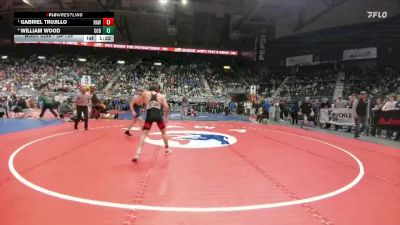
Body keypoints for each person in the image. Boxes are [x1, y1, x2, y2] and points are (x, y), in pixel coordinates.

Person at [132, 84, 171, 162]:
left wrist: (144, 102)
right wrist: (166, 117)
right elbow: (166, 107)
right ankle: (167, 149)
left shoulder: (145, 93)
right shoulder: (161, 96)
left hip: (149, 115)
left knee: (144, 134)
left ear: (150, 90)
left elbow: (138, 102)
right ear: (157, 90)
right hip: (158, 116)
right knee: (163, 132)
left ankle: (138, 153)